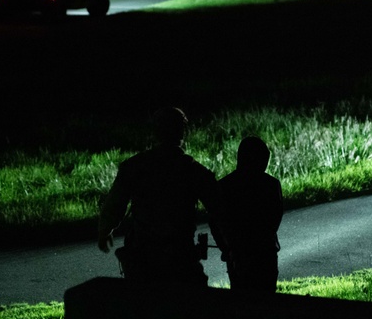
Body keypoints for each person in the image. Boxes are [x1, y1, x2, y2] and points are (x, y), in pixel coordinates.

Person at [97, 107, 225, 286]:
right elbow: (220, 211)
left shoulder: (134, 167)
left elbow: (114, 204)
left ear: (155, 132)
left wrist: (105, 229)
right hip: (180, 258)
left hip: (143, 259)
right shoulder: (193, 171)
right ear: (183, 132)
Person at [214, 136, 283, 293]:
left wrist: (227, 248)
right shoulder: (271, 185)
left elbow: (217, 221)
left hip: (236, 253)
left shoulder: (225, 186)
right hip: (265, 252)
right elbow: (275, 218)